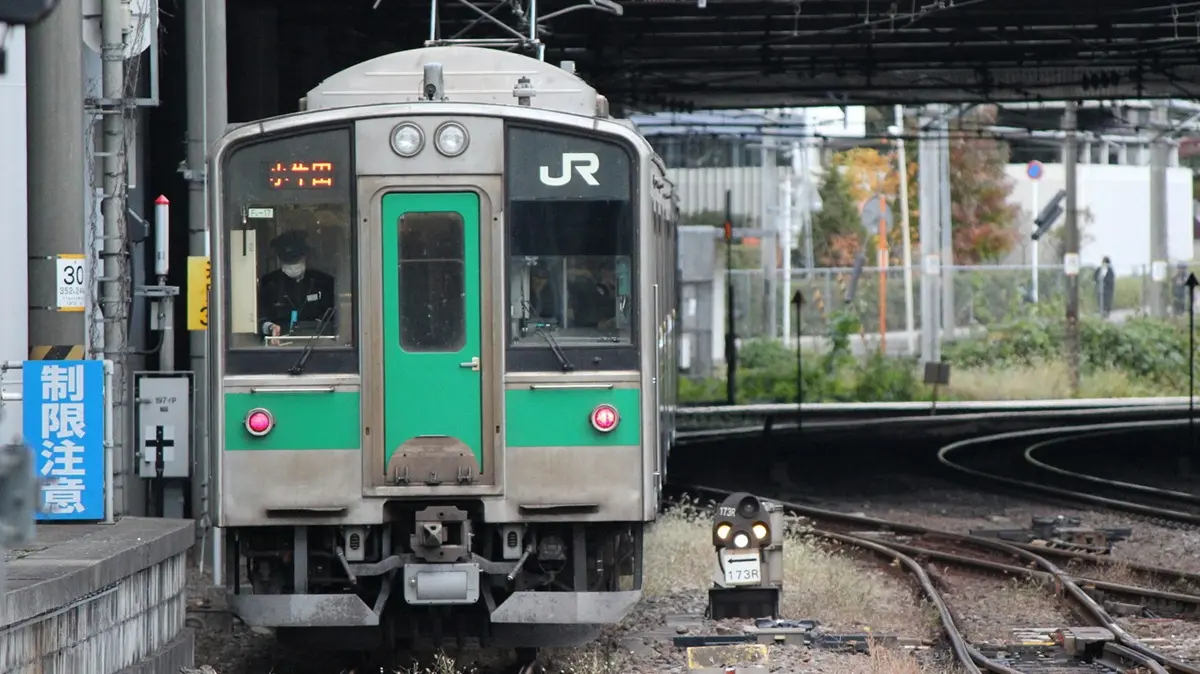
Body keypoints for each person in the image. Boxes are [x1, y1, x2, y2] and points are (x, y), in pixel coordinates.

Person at [258, 229, 336, 338]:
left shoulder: (323, 281)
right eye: (288, 262)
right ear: (280, 260)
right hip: (280, 342)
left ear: (305, 257)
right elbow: (259, 318)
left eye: (296, 260)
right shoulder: (269, 283)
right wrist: (270, 327)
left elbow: (334, 316)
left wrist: (320, 325)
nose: (293, 266)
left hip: (316, 341)